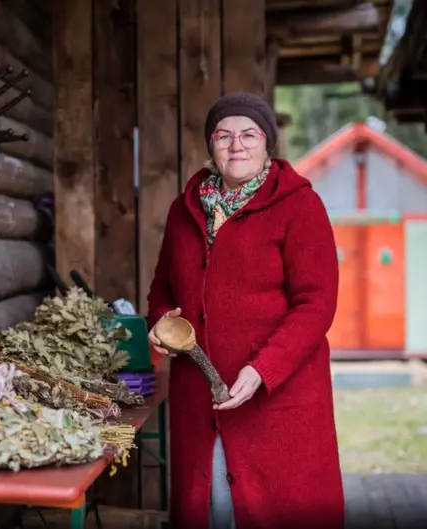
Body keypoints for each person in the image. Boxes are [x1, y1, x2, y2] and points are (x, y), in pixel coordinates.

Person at [146, 91, 343, 529]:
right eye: (224, 135)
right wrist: (161, 322)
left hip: (278, 404)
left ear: (267, 144)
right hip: (200, 401)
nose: (237, 145)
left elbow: (316, 304)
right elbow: (161, 288)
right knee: (212, 508)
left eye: (249, 134)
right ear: (211, 147)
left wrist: (262, 370)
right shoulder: (185, 209)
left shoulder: (300, 206)